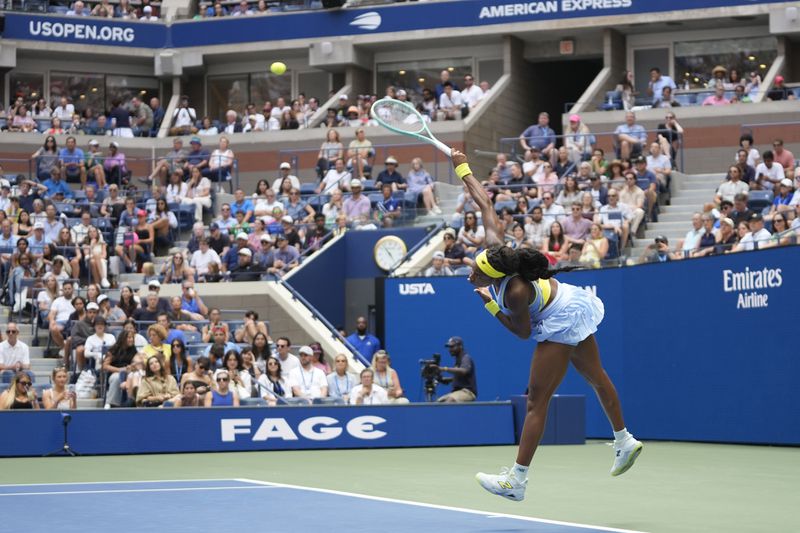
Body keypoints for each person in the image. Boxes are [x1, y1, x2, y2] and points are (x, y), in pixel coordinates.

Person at [450, 149, 641, 502]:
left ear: (495, 278)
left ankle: (517, 481)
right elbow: (484, 203)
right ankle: (625, 440)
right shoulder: (496, 250)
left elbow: (523, 333)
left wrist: (490, 304)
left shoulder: (514, 292)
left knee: (537, 400)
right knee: (596, 375)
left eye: (477, 272)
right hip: (569, 300)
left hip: (559, 316)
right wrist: (462, 166)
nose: (471, 270)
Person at [434, 336, 477, 402]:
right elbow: (459, 377)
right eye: (449, 347)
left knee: (449, 400)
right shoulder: (458, 360)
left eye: (452, 347)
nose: (450, 349)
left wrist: (444, 369)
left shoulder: (466, 358)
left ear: (460, 346)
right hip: (456, 392)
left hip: (467, 392)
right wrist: (443, 379)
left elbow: (464, 371)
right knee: (438, 403)